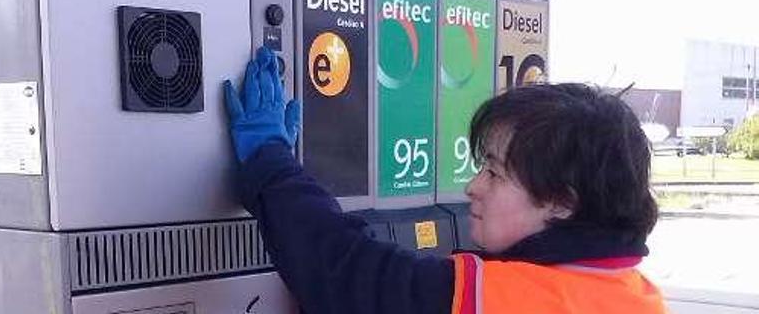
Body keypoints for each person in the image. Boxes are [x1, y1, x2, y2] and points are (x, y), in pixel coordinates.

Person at [223, 47, 668, 314]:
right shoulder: (638, 297)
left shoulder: (505, 300)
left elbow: (344, 270)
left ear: (561, 202)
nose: (473, 186)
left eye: (494, 171)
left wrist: (270, 160)